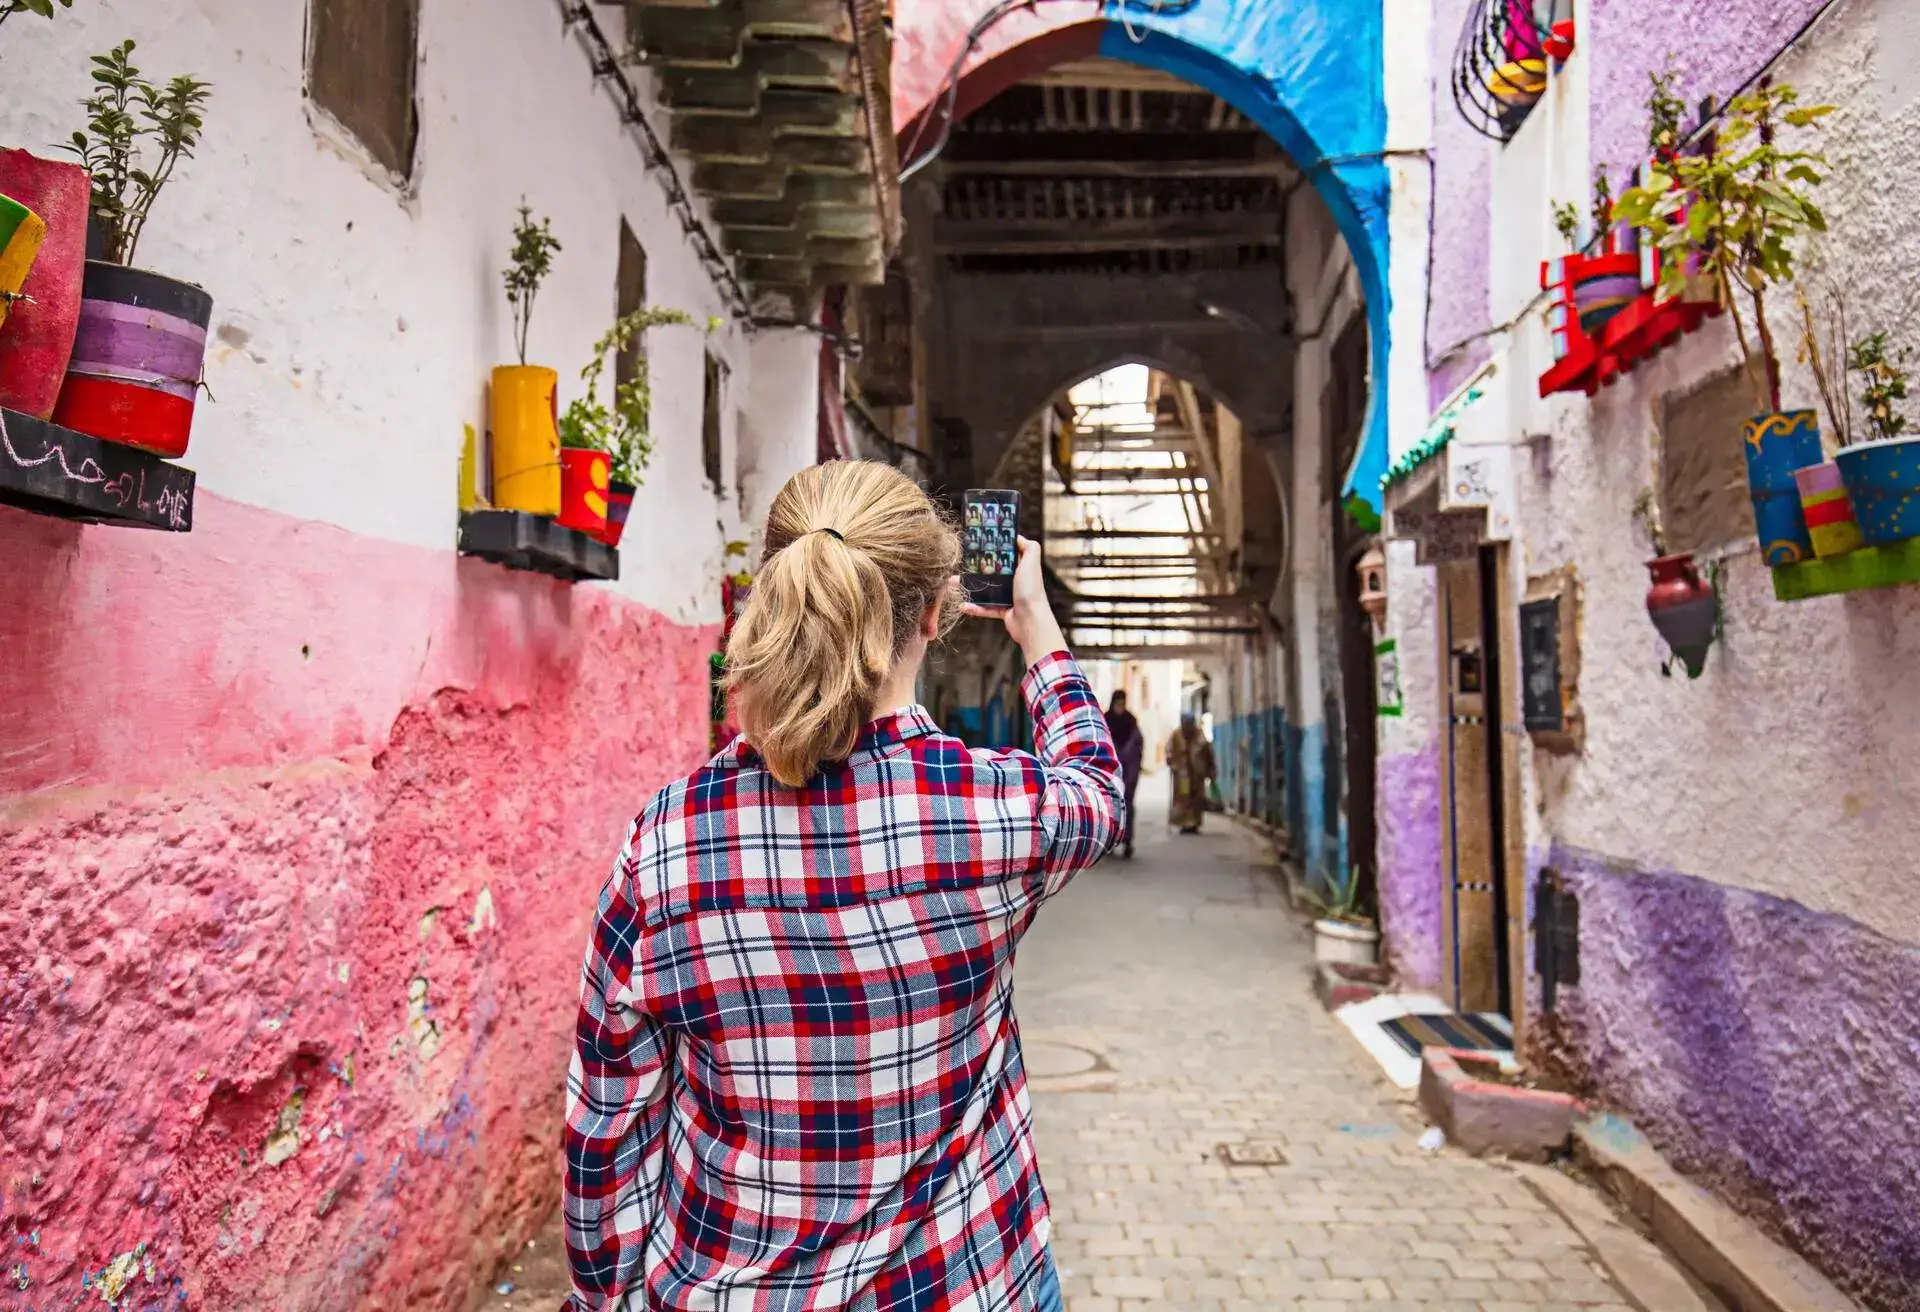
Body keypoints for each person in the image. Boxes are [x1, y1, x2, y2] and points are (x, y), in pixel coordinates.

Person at [562, 461, 1122, 1312]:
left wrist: (604, 1298)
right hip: (962, 1282)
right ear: (934, 614)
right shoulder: (997, 813)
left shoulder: (668, 840)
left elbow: (611, 1118)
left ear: (776, 594)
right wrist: (1037, 630)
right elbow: (1098, 791)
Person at [1103, 690, 1144, 857]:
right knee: (1110, 807)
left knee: (1127, 806)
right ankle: (1110, 842)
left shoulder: (1131, 721)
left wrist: (1132, 775)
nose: (1119, 708)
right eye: (1117, 704)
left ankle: (1127, 841)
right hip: (1110, 774)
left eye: (1122, 704)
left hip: (1128, 773)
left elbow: (1137, 748)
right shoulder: (1105, 721)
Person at [1166, 711, 1215, 834]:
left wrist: (1210, 769)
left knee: (1197, 797)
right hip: (1183, 774)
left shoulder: (1199, 734)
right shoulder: (1176, 735)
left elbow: (1208, 753)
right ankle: (1184, 822)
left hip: (1197, 773)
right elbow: (1169, 750)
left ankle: (1194, 823)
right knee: (1183, 797)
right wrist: (1172, 762)